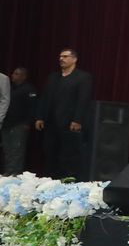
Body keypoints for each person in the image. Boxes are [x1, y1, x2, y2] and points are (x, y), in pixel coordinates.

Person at [35, 49, 94, 178]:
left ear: (74, 59)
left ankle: (67, 180)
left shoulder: (83, 77)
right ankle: (50, 179)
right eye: (60, 56)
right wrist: (40, 117)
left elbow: (83, 100)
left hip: (69, 122)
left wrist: (77, 120)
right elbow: (45, 98)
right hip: (51, 122)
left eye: (65, 56)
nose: (61, 59)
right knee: (50, 152)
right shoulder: (53, 77)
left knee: (69, 154)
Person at [3, 67, 36, 174]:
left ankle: (15, 172)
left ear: (23, 76)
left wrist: (27, 122)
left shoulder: (29, 89)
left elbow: (32, 107)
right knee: (7, 149)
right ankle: (8, 171)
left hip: (20, 124)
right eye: (13, 73)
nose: (13, 76)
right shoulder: (9, 88)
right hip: (7, 123)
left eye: (17, 74)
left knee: (17, 149)